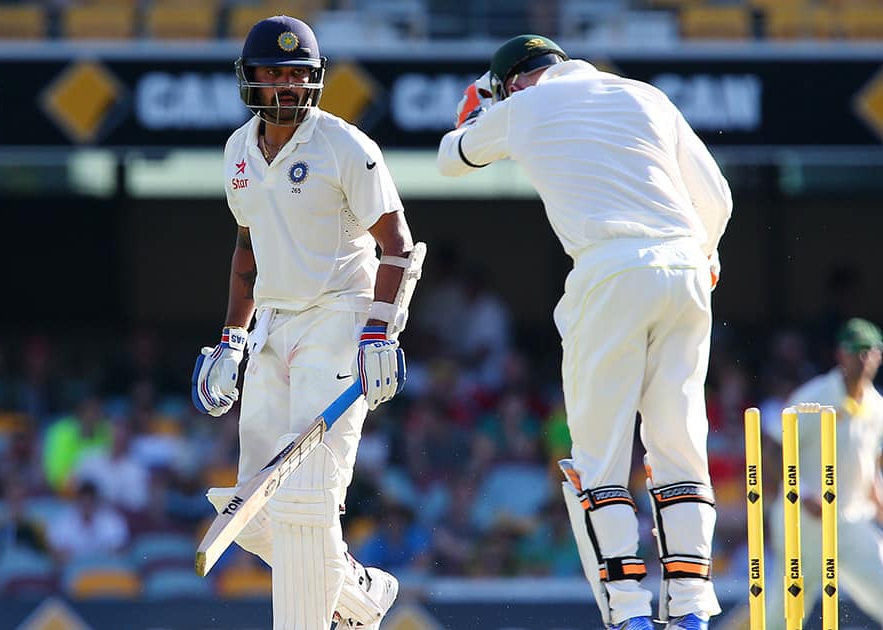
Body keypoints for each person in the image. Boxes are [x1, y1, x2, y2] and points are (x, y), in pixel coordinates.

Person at [437, 34, 733, 630]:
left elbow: (451, 157)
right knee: (679, 447)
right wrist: (703, 253)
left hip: (610, 271)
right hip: (684, 268)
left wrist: (479, 110)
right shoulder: (645, 95)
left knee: (599, 461)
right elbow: (718, 199)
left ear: (515, 80)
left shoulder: (521, 107)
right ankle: (693, 609)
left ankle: (630, 615)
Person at [191, 15, 423, 630]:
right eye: (274, 73)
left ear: (315, 81)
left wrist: (380, 330)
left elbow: (397, 244)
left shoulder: (344, 146)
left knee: (305, 501)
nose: (287, 85)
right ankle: (359, 594)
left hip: (339, 320)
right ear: (251, 80)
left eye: (298, 74)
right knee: (250, 507)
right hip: (272, 325)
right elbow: (247, 249)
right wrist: (230, 340)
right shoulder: (238, 151)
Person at [762, 318, 883, 629]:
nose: (862, 360)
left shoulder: (879, 408)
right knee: (786, 611)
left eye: (869, 352)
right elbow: (773, 448)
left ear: (879, 356)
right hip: (803, 522)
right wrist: (804, 492)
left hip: (851, 520)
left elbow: (869, 473)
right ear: (841, 354)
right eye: (855, 352)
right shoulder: (815, 394)